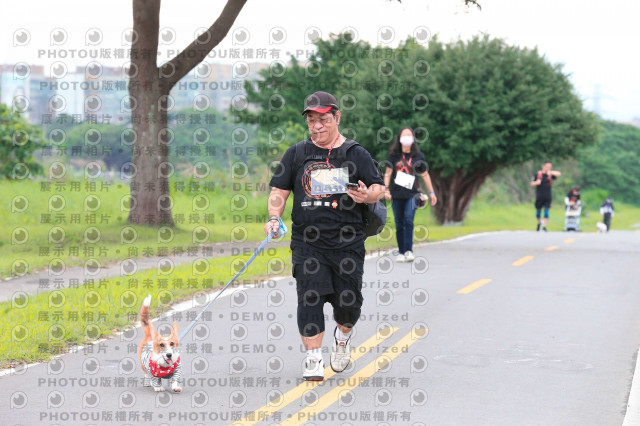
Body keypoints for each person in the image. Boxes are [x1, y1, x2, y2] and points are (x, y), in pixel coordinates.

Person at [265, 91, 385, 381]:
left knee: (348, 305)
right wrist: (274, 217)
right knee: (309, 298)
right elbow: (279, 191)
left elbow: (379, 188)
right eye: (311, 121)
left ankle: (342, 338)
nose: (317, 126)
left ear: (337, 118)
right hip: (307, 243)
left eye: (323, 120)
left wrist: (366, 195)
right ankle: (313, 358)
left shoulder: (356, 153)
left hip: (347, 243)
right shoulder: (296, 154)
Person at [383, 127, 437, 262]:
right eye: (404, 134)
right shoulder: (394, 155)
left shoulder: (418, 156)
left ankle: (409, 251)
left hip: (412, 194)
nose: (406, 137)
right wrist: (386, 189)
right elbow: (388, 173)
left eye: (409, 135)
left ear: (413, 138)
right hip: (396, 194)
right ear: (399, 138)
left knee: (408, 219)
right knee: (399, 222)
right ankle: (401, 252)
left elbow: (425, 174)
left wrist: (432, 192)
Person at [531, 161, 561, 232]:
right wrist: (536, 182)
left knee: (546, 211)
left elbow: (559, 174)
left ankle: (544, 226)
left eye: (550, 167)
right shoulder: (538, 174)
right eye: (547, 166)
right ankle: (539, 223)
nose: (548, 168)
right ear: (543, 166)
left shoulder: (550, 175)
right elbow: (531, 183)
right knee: (538, 211)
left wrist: (550, 172)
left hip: (548, 196)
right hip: (539, 196)